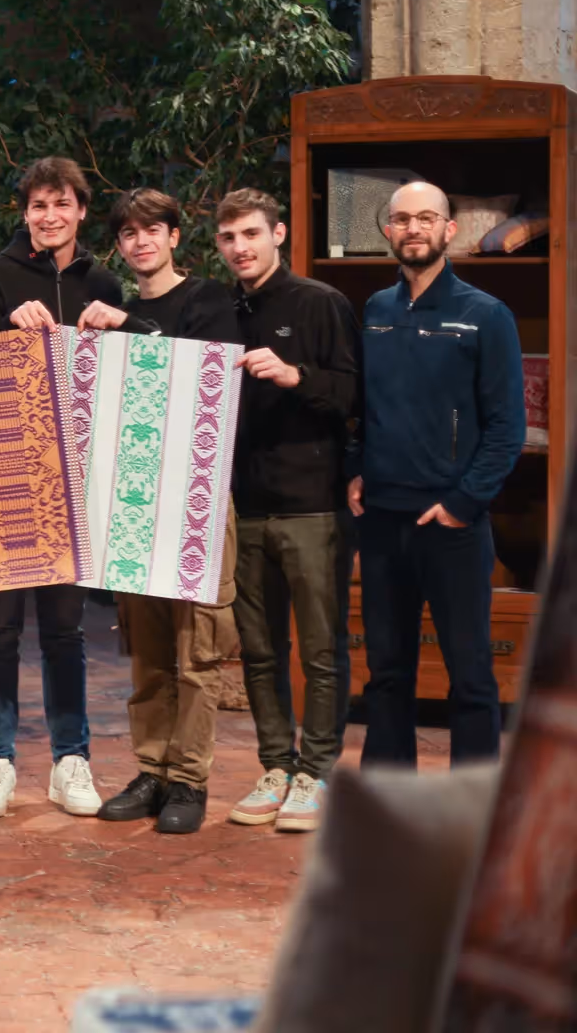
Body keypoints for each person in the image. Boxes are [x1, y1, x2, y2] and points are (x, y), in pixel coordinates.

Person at [0, 157, 124, 821]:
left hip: (74, 483)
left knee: (65, 630)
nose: (49, 216)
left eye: (61, 204)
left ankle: (70, 760)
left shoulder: (103, 281)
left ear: (81, 210)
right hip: (3, 479)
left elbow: (123, 377)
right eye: (37, 205)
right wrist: (7, 329)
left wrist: (120, 326)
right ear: (24, 213)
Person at [76, 189, 241, 834]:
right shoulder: (113, 311)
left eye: (153, 230)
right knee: (146, 651)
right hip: (134, 498)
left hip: (198, 495)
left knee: (196, 650)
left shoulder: (208, 300)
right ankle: (151, 770)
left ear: (175, 237)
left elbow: (207, 373)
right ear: (118, 246)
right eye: (129, 234)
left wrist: (128, 328)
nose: (141, 242)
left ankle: (189, 780)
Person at [351, 181, 523, 766]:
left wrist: (461, 504)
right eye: (402, 219)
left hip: (452, 524)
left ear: (449, 230)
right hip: (381, 521)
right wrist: (356, 470)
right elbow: (364, 407)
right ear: (388, 231)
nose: (414, 229)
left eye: (427, 218)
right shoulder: (375, 310)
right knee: (386, 672)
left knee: (470, 674)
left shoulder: (486, 315)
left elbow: (507, 428)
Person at [214, 188, 359, 834]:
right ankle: (276, 766)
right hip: (244, 508)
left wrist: (296, 375)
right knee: (259, 650)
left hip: (313, 507)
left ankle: (316, 773)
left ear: (279, 234)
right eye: (228, 238)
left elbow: (354, 394)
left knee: (321, 650)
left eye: (251, 234)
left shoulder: (320, 302)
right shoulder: (219, 309)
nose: (240, 247)